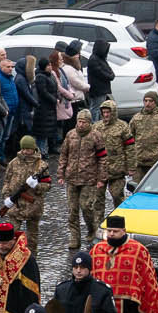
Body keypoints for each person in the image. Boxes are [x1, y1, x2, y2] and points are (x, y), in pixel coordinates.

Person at [58, 108, 107, 253]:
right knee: (72, 210)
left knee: (86, 207)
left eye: (84, 122)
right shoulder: (70, 135)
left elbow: (102, 158)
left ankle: (92, 229)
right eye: (79, 121)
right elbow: (63, 155)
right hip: (71, 179)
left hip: (89, 179)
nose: (81, 125)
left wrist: (101, 178)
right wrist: (61, 174)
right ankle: (74, 237)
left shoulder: (96, 136)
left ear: (89, 123)